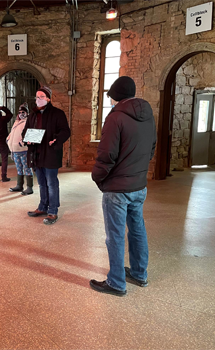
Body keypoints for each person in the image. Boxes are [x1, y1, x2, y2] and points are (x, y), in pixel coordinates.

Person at [89, 76, 157, 297]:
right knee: (137, 230)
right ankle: (139, 273)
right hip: (138, 185)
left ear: (114, 97)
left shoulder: (115, 117)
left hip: (117, 188)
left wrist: (98, 178)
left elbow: (107, 154)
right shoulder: (147, 115)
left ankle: (117, 282)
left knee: (115, 235)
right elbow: (152, 147)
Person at [22, 86, 70, 225]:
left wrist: (56, 139)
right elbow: (25, 132)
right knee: (42, 183)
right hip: (36, 154)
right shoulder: (32, 115)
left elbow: (65, 131)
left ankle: (53, 211)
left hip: (50, 153)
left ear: (48, 98)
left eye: (42, 96)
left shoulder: (57, 113)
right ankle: (42, 207)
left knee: (51, 183)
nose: (39, 99)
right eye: (37, 97)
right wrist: (27, 139)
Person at [6, 102, 33, 195]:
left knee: (27, 168)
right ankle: (19, 185)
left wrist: (22, 143)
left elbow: (30, 134)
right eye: (20, 112)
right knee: (19, 168)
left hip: (24, 150)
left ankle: (29, 187)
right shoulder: (16, 122)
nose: (21, 114)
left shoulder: (28, 122)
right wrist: (8, 139)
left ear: (27, 113)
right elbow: (13, 132)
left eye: (23, 112)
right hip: (15, 150)